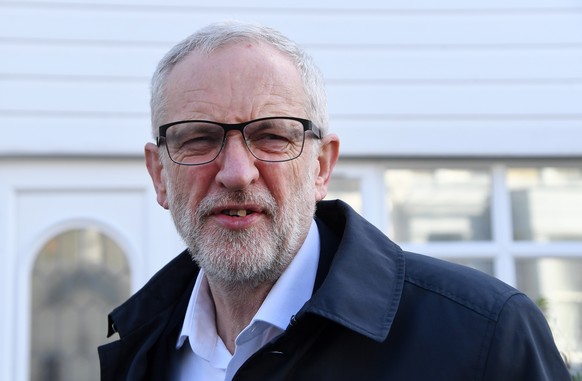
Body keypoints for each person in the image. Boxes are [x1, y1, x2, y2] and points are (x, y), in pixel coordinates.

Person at [98, 21, 571, 381]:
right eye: (199, 139)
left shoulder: (483, 336)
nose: (237, 173)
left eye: (271, 136)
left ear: (322, 166)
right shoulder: (141, 351)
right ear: (160, 175)